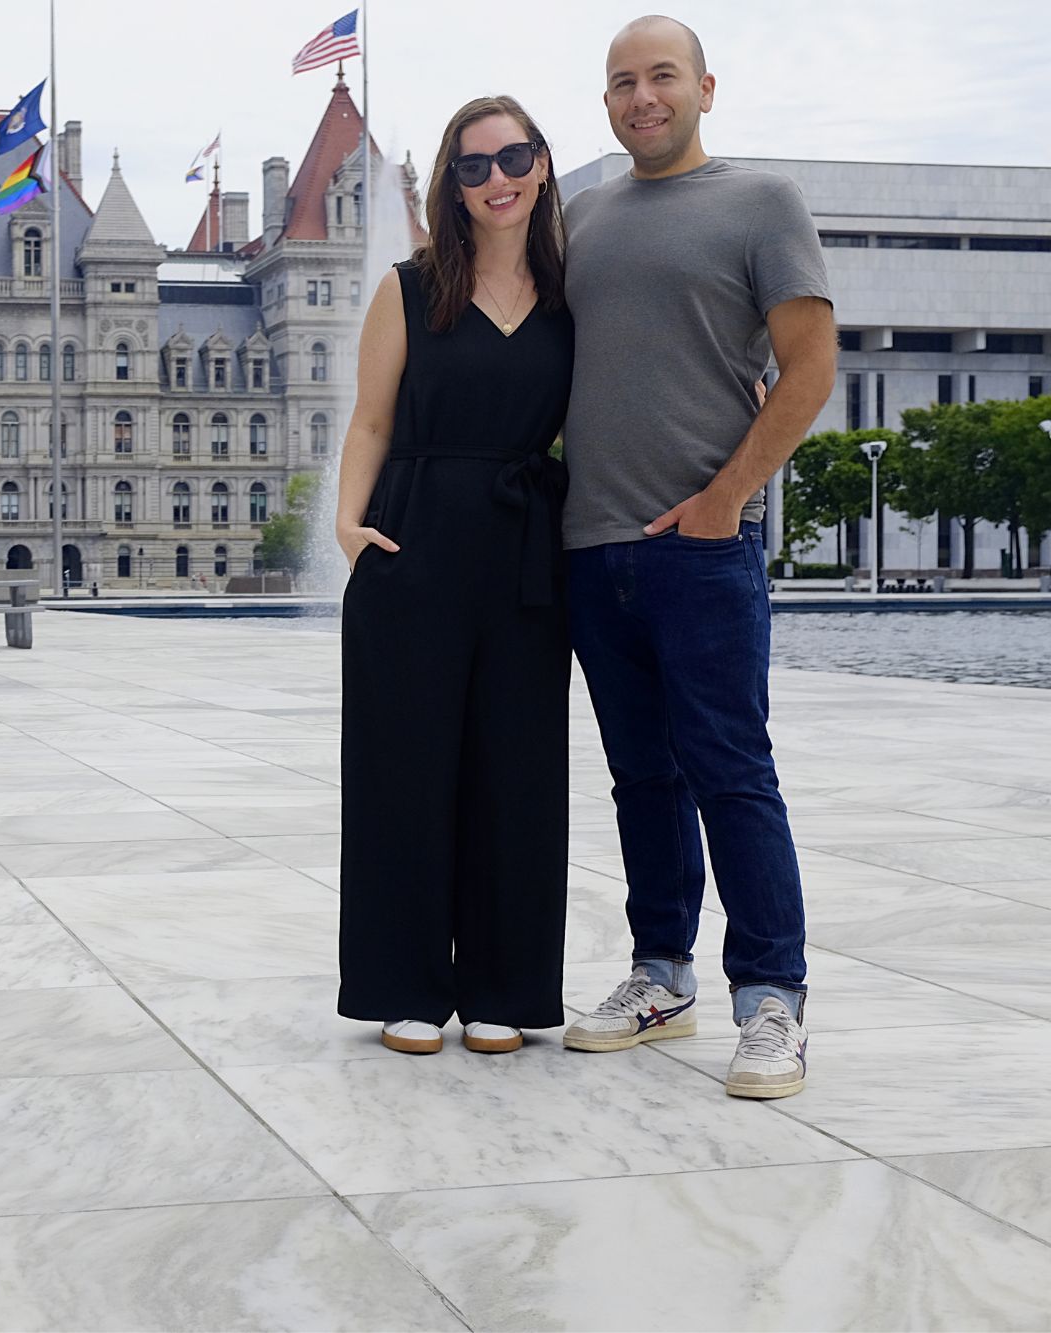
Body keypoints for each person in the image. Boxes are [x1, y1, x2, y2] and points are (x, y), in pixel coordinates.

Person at [558, 15, 837, 1099]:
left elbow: (809, 367)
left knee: (730, 771)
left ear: (703, 89)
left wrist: (727, 498)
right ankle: (657, 974)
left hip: (701, 550)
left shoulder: (758, 203)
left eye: (660, 76)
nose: (641, 97)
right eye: (621, 82)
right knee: (640, 779)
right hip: (591, 548)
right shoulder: (582, 218)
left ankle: (771, 1001)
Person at [336, 96, 574, 1055]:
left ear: (543, 165)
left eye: (512, 158)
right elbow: (371, 421)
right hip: (417, 541)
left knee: (518, 772)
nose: (496, 179)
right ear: (452, 183)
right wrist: (350, 527)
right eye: (473, 167)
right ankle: (405, 984)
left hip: (526, 553)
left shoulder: (572, 293)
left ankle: (503, 987)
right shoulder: (409, 286)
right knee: (406, 768)